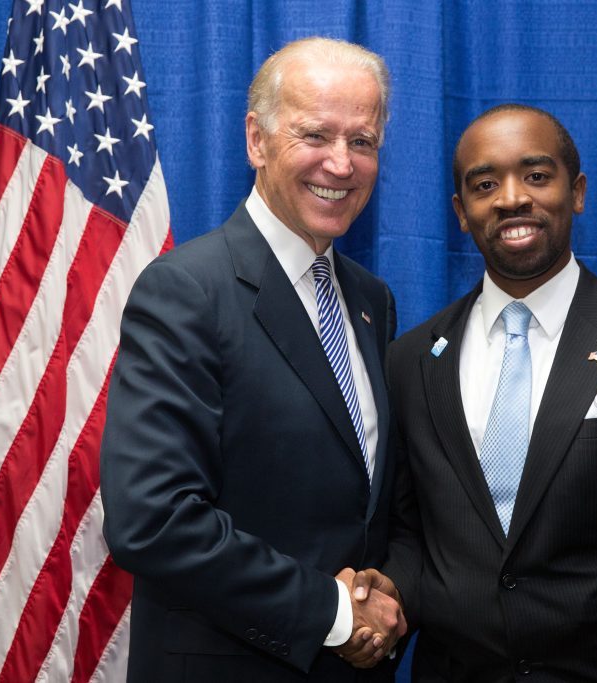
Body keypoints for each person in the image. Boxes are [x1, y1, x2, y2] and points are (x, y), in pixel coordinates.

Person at [359, 104, 597, 681]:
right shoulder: (411, 358)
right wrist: (385, 592)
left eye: (537, 176)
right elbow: (417, 536)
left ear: (578, 192)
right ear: (461, 213)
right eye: (485, 184)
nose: (512, 198)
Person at [99, 37, 405, 682]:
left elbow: (360, 501)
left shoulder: (371, 299)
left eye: (364, 141)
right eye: (315, 135)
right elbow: (152, 521)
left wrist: (381, 597)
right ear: (257, 140)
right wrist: (334, 612)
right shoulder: (186, 290)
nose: (342, 164)